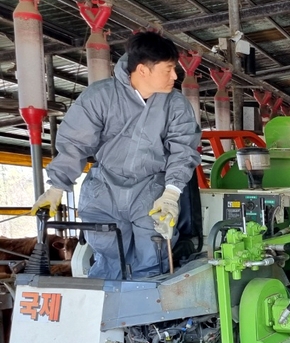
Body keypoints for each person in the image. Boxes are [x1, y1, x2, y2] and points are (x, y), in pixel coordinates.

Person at [32, 31, 201, 279]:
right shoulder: (100, 96)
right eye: (168, 70)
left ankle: (148, 316)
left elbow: (183, 150)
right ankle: (103, 313)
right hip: (104, 190)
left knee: (152, 257)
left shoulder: (175, 105)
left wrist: (171, 194)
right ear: (143, 70)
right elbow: (75, 143)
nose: (175, 77)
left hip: (150, 190)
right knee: (109, 257)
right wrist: (57, 187)